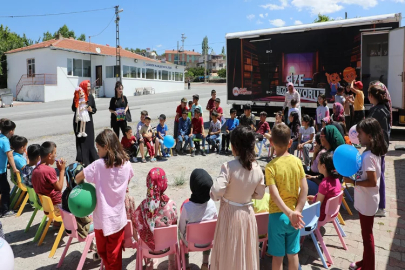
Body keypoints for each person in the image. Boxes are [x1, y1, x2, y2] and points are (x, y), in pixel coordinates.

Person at [75, 129, 134, 270]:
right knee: (114, 254)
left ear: (106, 147)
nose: (97, 152)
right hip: (118, 218)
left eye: (98, 148)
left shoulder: (98, 165)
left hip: (101, 218)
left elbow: (78, 177)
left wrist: (83, 189)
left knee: (103, 252)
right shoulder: (127, 164)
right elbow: (128, 180)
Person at [210, 126, 265, 270]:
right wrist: (246, 194)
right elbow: (260, 194)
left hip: (230, 214)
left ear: (234, 147)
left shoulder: (228, 167)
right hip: (247, 214)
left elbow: (216, 191)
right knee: (245, 252)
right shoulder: (258, 168)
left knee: (229, 251)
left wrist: (229, 193)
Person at [344, 118, 388, 270]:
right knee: (366, 235)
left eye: (360, 133)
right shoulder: (370, 153)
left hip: (367, 201)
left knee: (367, 237)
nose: (358, 136)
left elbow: (372, 182)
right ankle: (365, 261)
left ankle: (369, 267)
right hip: (368, 200)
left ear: (369, 136)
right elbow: (364, 175)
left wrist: (353, 182)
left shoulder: (369, 156)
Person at [266, 124, 308, 270]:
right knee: (293, 254)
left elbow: (274, 194)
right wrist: (296, 211)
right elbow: (304, 189)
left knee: (277, 257)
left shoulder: (270, 166)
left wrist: (288, 213)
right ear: (290, 143)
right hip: (295, 217)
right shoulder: (297, 162)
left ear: (271, 142)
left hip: (277, 216)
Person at [134, 168, 178, 270]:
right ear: (164, 182)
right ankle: (171, 264)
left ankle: (149, 263)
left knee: (146, 230)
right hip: (167, 247)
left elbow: (137, 225)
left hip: (149, 249)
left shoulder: (143, 206)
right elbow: (175, 226)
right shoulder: (172, 205)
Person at [179, 169, 218, 270]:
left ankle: (186, 264)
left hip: (191, 242)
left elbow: (181, 227)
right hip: (207, 241)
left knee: (180, 234)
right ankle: (205, 263)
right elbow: (215, 223)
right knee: (208, 233)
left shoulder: (187, 207)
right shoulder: (212, 205)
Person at [367, 84, 391, 217]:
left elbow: (372, 130)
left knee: (378, 177)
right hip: (380, 148)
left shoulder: (378, 111)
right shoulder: (381, 109)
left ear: (371, 96)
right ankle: (379, 204)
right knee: (378, 176)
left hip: (377, 148)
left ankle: (381, 207)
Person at [306, 125, 345, 195]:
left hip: (326, 193)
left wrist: (312, 179)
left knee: (302, 182)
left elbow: (327, 184)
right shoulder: (333, 153)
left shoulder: (330, 157)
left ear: (328, 137)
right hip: (329, 189)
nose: (320, 138)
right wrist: (312, 177)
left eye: (321, 136)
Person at [32, 142, 66, 215]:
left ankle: (57, 223)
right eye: (55, 153)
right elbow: (59, 188)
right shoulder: (49, 170)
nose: (56, 156)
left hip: (46, 206)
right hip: (57, 204)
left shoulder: (35, 170)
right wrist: (62, 171)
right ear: (50, 155)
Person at [307, 151, 341, 221]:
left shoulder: (324, 184)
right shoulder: (336, 179)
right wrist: (313, 198)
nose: (317, 165)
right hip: (331, 213)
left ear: (323, 166)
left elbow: (317, 205)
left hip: (321, 215)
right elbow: (327, 198)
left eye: (318, 163)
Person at [72, 80, 98, 166]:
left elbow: (94, 109)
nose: (89, 88)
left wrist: (91, 110)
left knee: (90, 141)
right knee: (81, 141)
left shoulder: (90, 97)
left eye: (90, 86)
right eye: (88, 86)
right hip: (79, 122)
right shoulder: (78, 95)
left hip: (88, 121)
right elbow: (73, 108)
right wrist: (77, 102)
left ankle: (91, 159)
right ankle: (82, 161)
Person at [0, 120, 18, 217]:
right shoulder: (5, 140)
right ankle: (5, 210)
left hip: (2, 167)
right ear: (11, 131)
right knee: (5, 189)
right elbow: (9, 154)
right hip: (0, 170)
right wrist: (15, 168)